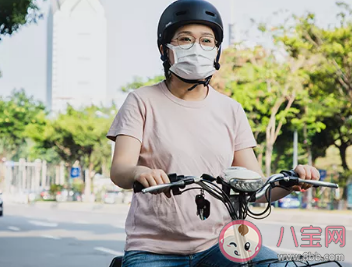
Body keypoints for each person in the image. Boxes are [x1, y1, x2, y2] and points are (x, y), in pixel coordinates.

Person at [106, 0, 320, 266]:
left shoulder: (231, 109)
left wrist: (291, 182)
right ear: (165, 49)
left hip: (222, 244)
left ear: (216, 51)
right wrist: (139, 172)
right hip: (154, 248)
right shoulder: (141, 101)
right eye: (185, 39)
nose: (197, 47)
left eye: (207, 41)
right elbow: (120, 170)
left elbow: (254, 188)